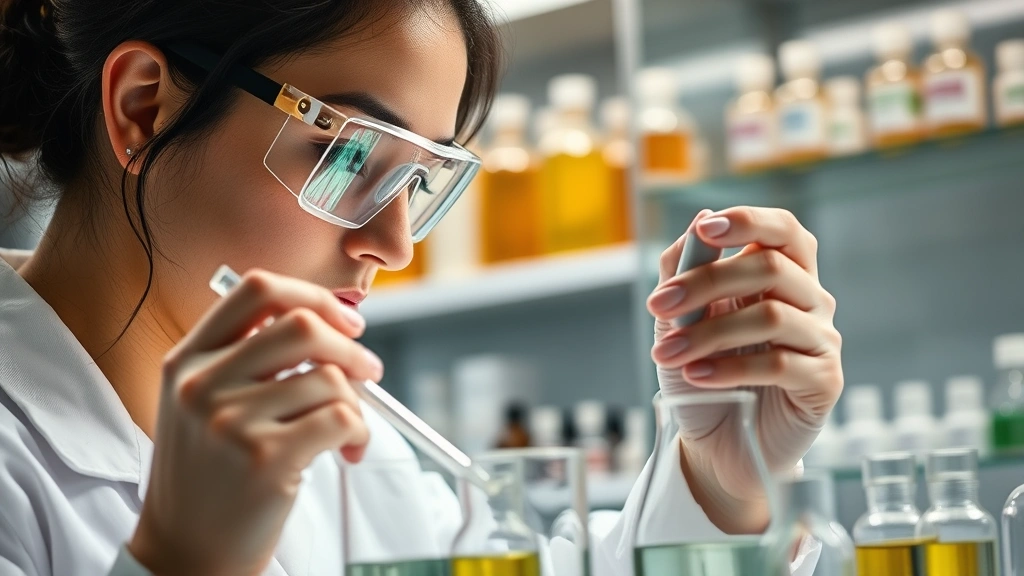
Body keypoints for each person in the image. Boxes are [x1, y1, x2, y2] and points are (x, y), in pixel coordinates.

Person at [0, 0, 843, 574]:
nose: (392, 244)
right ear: (143, 107)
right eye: (353, 155)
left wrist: (721, 480)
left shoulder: (340, 430)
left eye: (423, 180)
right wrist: (183, 559)